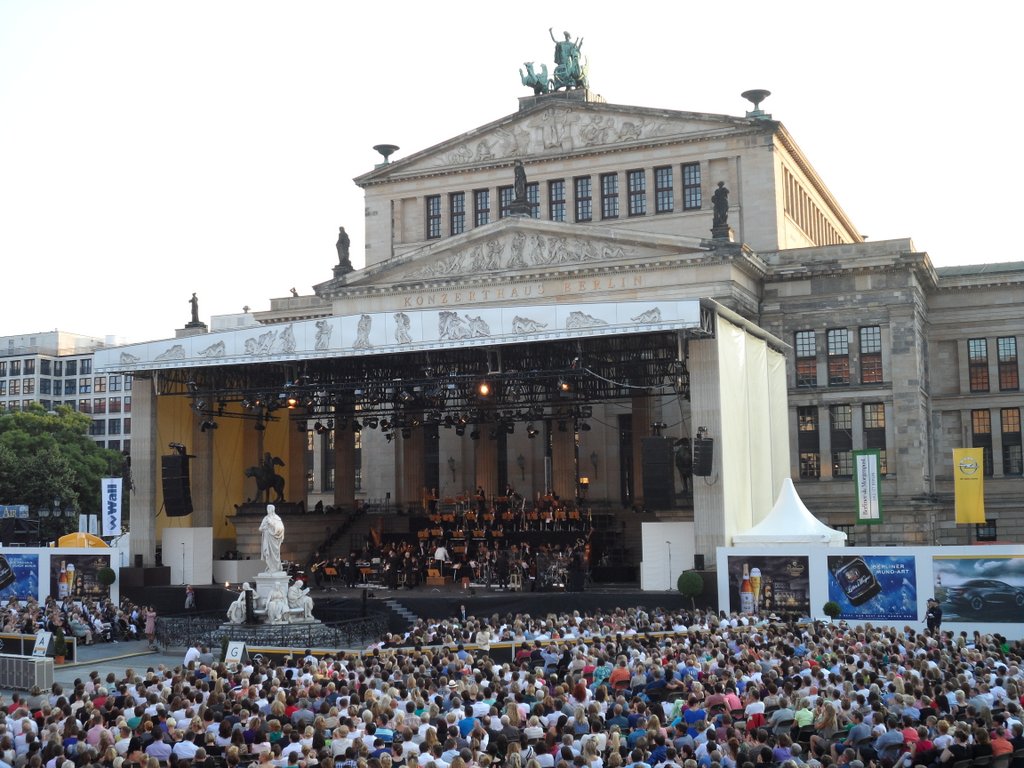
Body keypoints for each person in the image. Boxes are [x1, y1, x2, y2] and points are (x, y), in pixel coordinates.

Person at [259, 503, 286, 573]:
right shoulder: (265, 518)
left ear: (272, 509)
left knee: (275, 553)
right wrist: (264, 527)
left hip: (274, 539)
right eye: (267, 509)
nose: (268, 510)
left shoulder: (277, 518)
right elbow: (260, 528)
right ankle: (270, 567)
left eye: (269, 509)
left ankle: (276, 568)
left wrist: (272, 524)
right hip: (267, 538)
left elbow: (281, 528)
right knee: (267, 553)